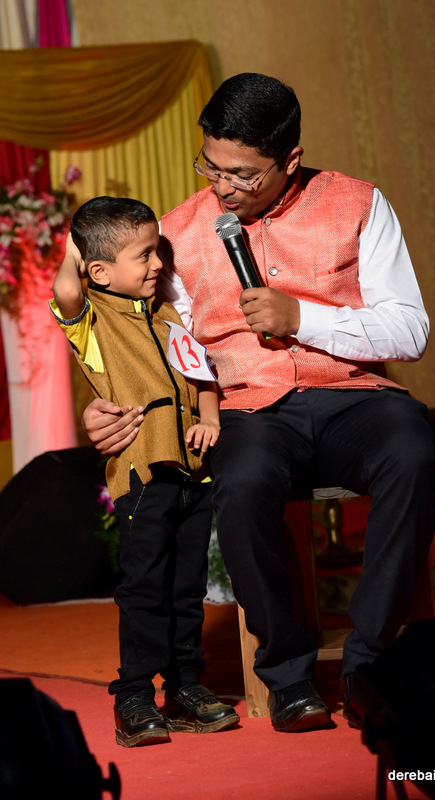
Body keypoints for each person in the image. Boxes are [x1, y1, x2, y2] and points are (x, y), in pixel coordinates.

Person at [82, 74, 435, 734]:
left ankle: (368, 663)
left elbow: (410, 330)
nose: (222, 188)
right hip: (247, 407)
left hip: (354, 398)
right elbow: (149, 342)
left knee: (413, 451)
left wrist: (303, 318)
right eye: (211, 167)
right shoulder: (176, 232)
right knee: (241, 481)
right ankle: (289, 676)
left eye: (242, 175)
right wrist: (106, 405)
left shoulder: (359, 204)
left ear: (289, 161)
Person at [50, 196, 239, 747]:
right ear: (99, 271)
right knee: (144, 588)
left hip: (192, 471)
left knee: (186, 587)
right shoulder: (91, 319)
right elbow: (66, 292)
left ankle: (185, 686)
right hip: (141, 473)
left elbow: (202, 375)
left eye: (157, 251)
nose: (159, 264)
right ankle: (133, 695)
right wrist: (75, 247)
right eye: (144, 255)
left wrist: (210, 419)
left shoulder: (168, 314)